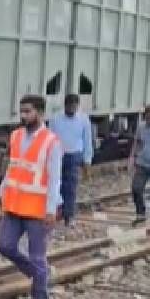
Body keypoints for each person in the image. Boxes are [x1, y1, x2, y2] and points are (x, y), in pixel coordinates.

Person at [0, 95, 62, 299]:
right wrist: (2, 192)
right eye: (22, 112)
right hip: (14, 205)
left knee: (37, 255)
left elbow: (54, 179)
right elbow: (12, 167)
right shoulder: (15, 136)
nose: (23, 116)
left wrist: (51, 209)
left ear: (40, 113)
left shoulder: (51, 142)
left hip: (37, 209)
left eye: (28, 112)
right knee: (4, 245)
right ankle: (36, 273)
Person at [47, 93, 93, 226]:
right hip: (58, 155)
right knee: (55, 185)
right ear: (65, 105)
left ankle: (69, 216)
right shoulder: (55, 119)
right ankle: (56, 213)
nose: (72, 109)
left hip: (74, 155)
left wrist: (87, 161)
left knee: (71, 187)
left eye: (75, 106)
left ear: (78, 106)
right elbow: (50, 138)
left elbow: (87, 140)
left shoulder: (83, 119)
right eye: (70, 106)